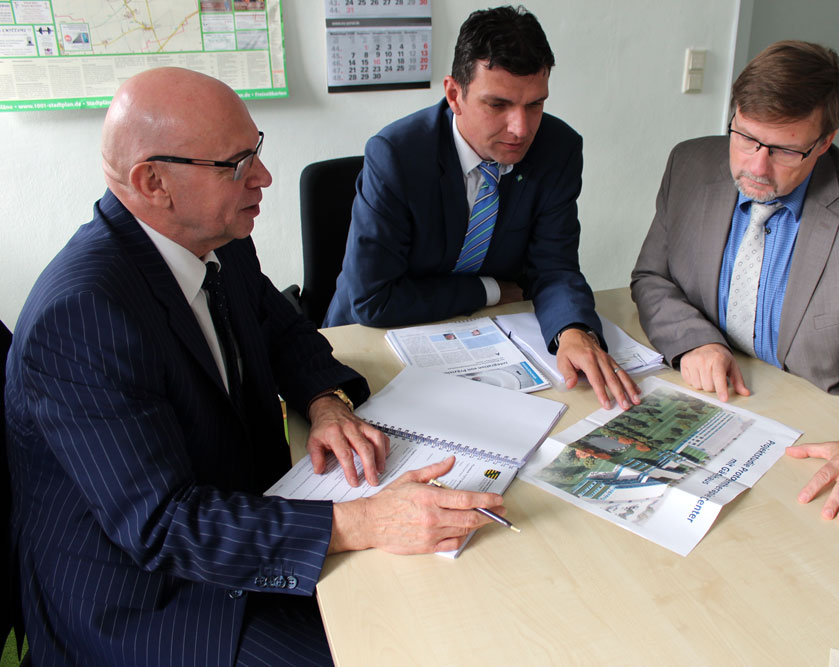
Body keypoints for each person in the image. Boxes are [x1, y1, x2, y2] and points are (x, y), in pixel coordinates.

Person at [5, 67, 505, 667]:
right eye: (237, 163)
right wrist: (360, 521)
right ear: (152, 181)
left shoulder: (216, 235)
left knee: (446, 601)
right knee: (385, 645)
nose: (264, 177)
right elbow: (163, 525)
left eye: (257, 150)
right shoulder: (83, 317)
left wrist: (323, 402)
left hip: (234, 515)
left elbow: (280, 326)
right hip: (151, 600)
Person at [631, 41, 839, 526]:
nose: (756, 167)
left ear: (824, 142)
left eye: (784, 149)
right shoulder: (690, 164)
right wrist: (693, 340)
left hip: (817, 432)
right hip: (718, 406)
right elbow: (652, 276)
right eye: (745, 138)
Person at [323, 5, 640, 411]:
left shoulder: (557, 150)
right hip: (370, 340)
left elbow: (554, 266)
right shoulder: (397, 156)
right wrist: (489, 290)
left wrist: (573, 329)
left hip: (489, 343)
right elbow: (373, 299)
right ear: (455, 95)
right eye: (498, 105)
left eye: (535, 105)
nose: (521, 128)